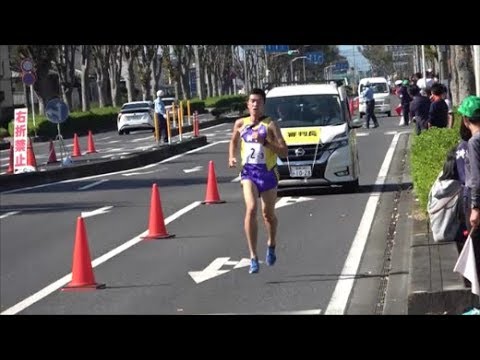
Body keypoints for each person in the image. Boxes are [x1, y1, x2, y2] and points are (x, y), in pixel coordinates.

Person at [228, 88, 288, 274]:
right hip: (249, 173)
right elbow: (233, 141)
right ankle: (253, 256)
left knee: (267, 214)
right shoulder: (240, 123)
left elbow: (284, 151)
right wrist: (232, 157)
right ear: (247, 104)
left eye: (259, 101)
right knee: (251, 208)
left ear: (263, 105)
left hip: (268, 173)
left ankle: (271, 243)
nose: (255, 104)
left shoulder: (271, 125)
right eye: (252, 101)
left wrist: (266, 143)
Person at [459, 95, 480, 288]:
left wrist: (475, 207)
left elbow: (476, 178)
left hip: (476, 201)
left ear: (466, 120)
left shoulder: (474, 142)